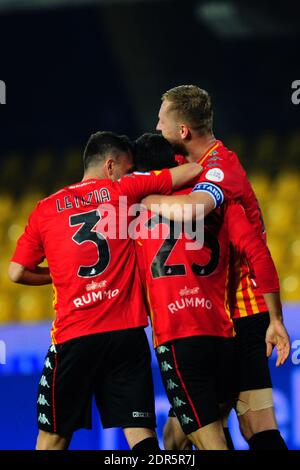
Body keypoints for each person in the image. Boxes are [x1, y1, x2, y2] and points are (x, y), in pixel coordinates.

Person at [8, 131, 201, 451]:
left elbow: (16, 272)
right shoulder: (124, 189)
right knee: (140, 433)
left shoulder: (45, 208)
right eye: (128, 169)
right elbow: (191, 171)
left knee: (53, 439)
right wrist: (148, 184)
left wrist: (57, 276)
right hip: (126, 335)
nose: (132, 174)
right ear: (111, 165)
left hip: (75, 336)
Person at [141, 85, 290, 450]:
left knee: (251, 425)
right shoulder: (187, 165)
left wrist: (274, 320)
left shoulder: (221, 168)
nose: (156, 126)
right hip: (213, 314)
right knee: (188, 431)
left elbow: (198, 212)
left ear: (183, 132)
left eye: (161, 121)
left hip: (243, 312)